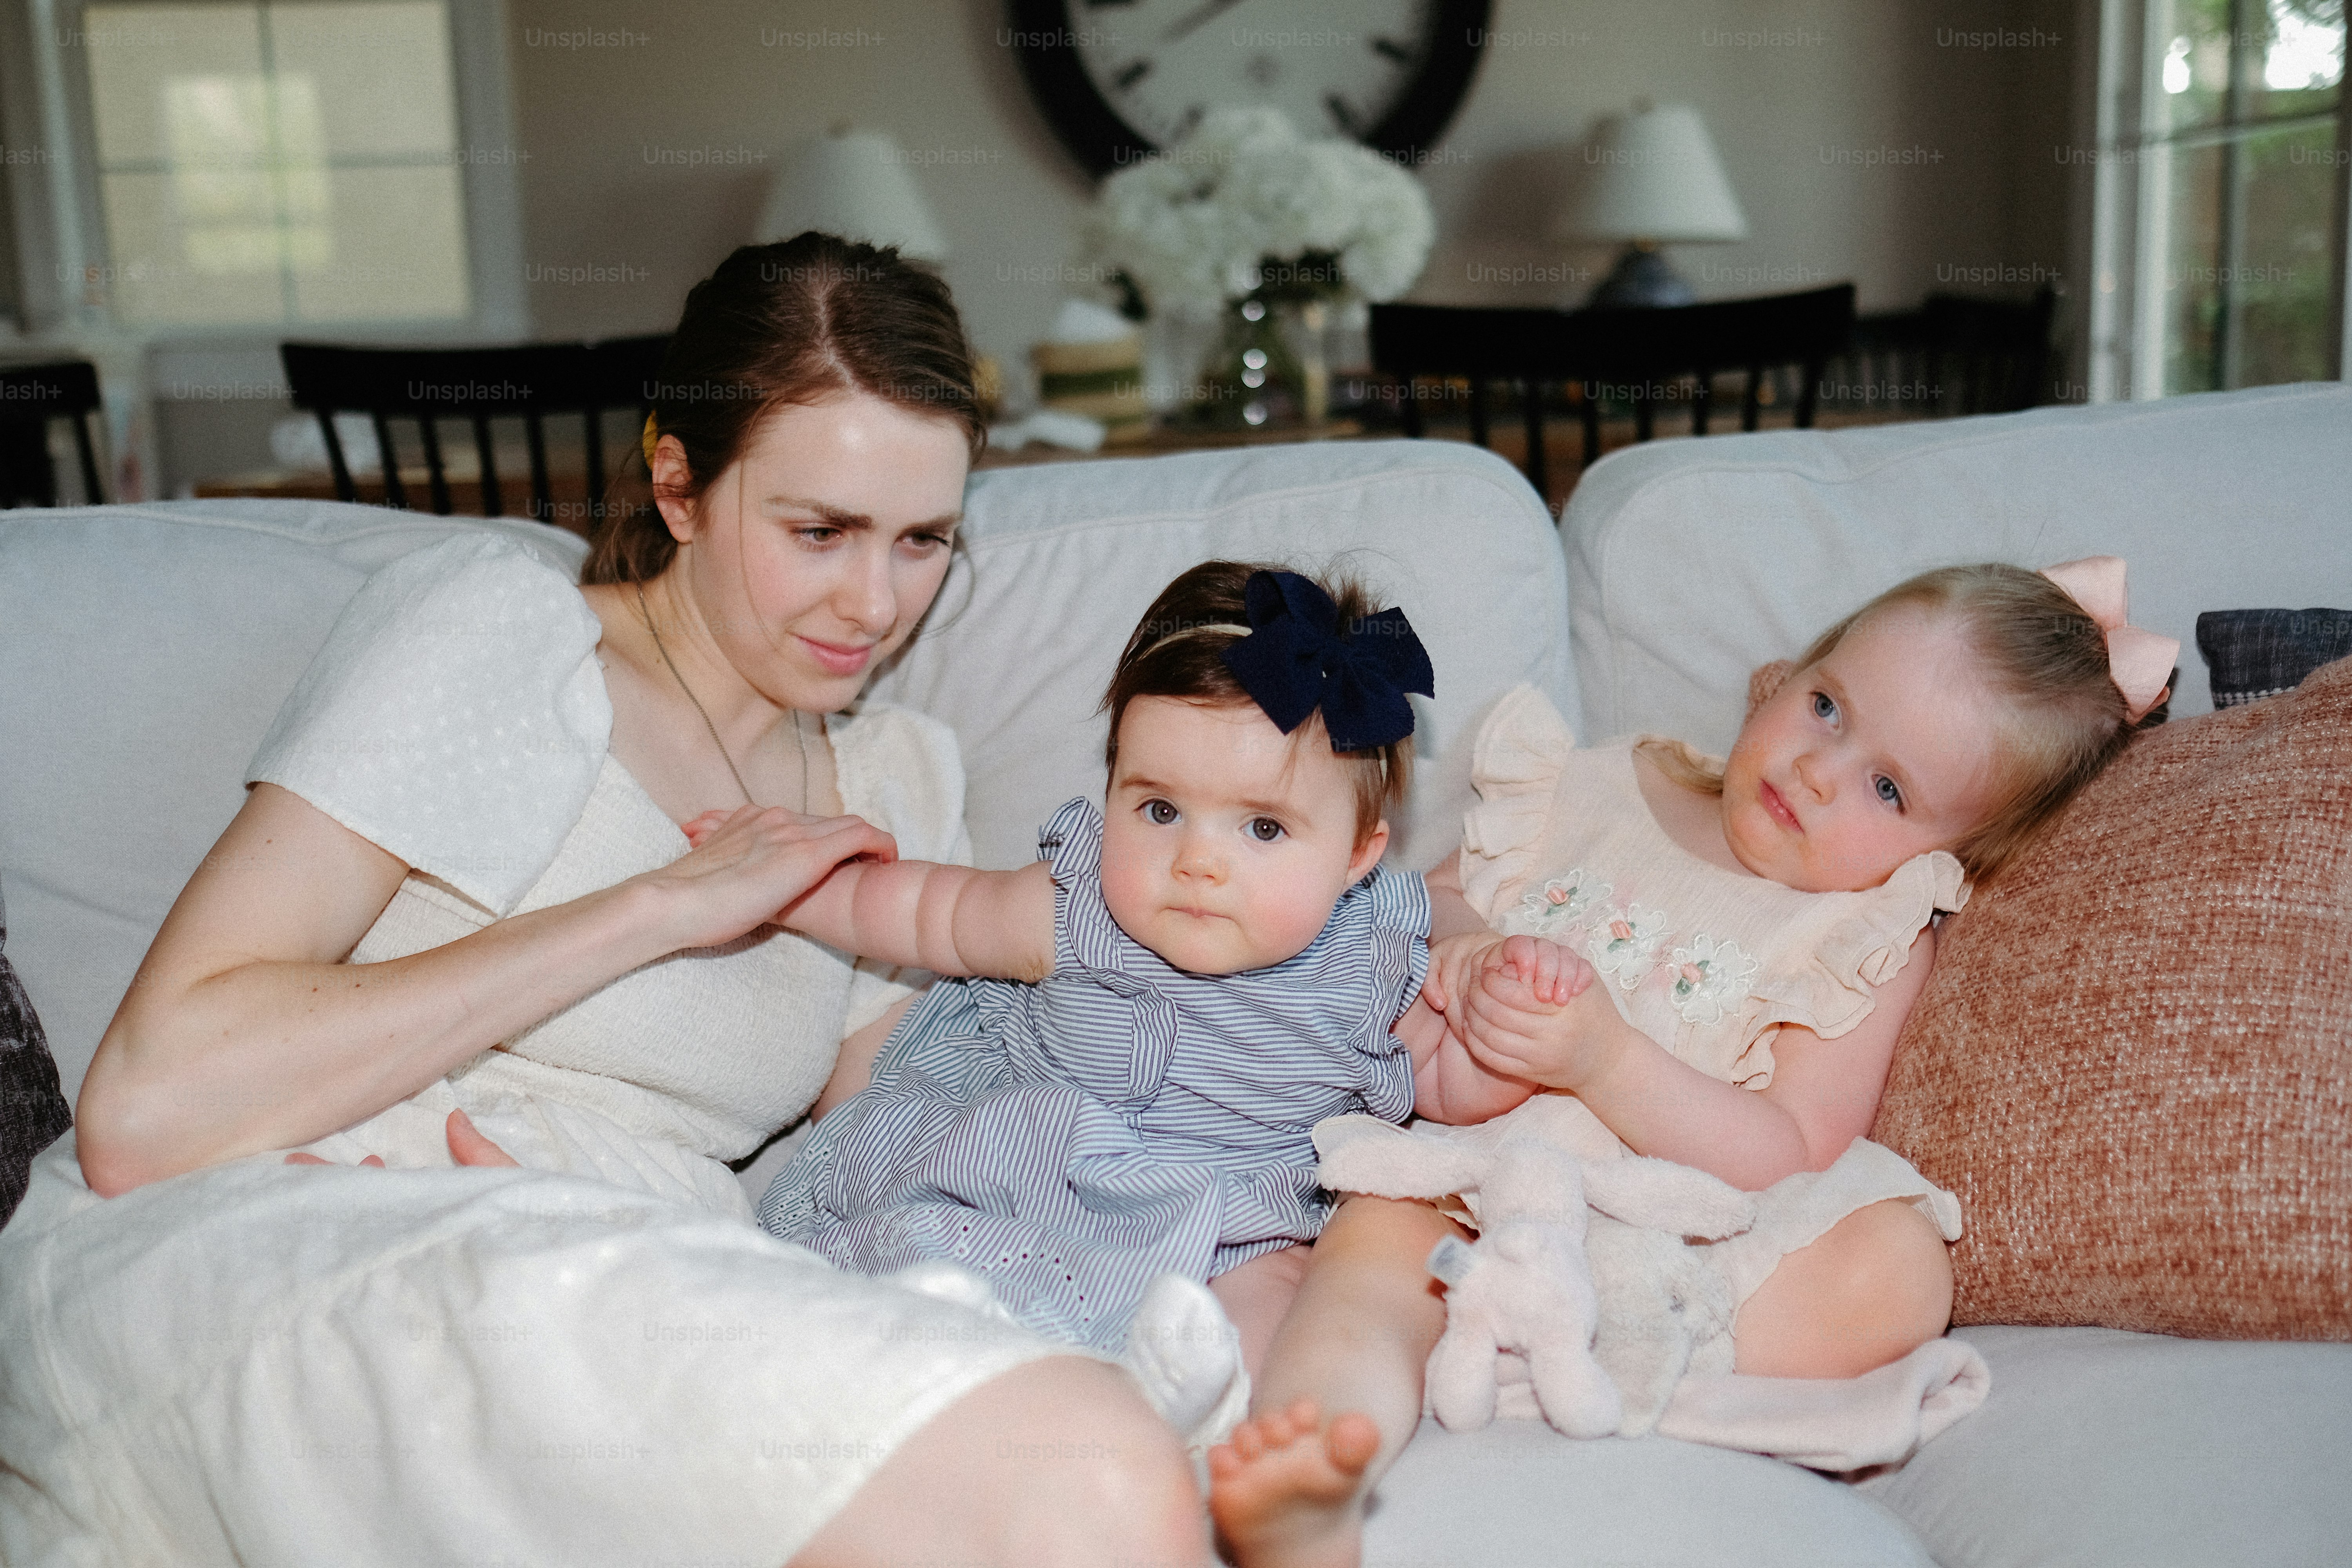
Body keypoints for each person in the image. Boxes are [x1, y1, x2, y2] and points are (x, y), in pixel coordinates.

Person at [0, 233, 1213, 1568]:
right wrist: (655, 906)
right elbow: (145, 1108)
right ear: (678, 485)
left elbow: (891, 1151)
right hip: (297, 1215)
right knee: (1084, 1476)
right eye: (819, 533)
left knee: (1083, 1462)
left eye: (923, 542)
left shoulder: (894, 779)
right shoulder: (513, 637)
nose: (874, 604)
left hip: (626, 1272)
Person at [1207, 558, 2177, 1568]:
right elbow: (1418, 904)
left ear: (1949, 852)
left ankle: (1587, 1338)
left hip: (1672, 1229)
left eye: (1887, 788)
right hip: (1470, 1166)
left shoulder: (1865, 932)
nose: (1816, 770)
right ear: (1790, 671)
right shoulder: (1593, 784)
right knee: (1369, 1266)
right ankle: (1314, 1461)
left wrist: (1608, 1060)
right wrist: (1468, 948)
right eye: (1828, 707)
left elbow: (1793, 1146)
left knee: (1899, 1268)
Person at [741, 562, 1565, 1435]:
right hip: (1028, 1174)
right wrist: (787, 886)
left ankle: (1214, 1422)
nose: (1199, 860)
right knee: (935, 1250)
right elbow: (925, 911)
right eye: (1162, 810)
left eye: (1262, 827)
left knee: (1281, 1301)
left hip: (1229, 1223)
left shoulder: (1366, 956)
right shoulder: (1076, 905)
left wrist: (1495, 995)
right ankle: (947, 1379)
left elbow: (1443, 1076)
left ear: (1357, 856)